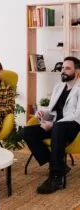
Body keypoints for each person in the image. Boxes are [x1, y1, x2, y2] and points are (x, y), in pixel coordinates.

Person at [23, 56, 80, 194]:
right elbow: (53, 110)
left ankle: (56, 177)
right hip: (57, 126)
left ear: (77, 71)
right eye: (62, 68)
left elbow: (78, 115)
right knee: (27, 132)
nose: (63, 71)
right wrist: (43, 114)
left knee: (59, 128)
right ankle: (60, 165)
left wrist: (53, 125)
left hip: (73, 126)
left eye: (67, 68)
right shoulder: (58, 87)